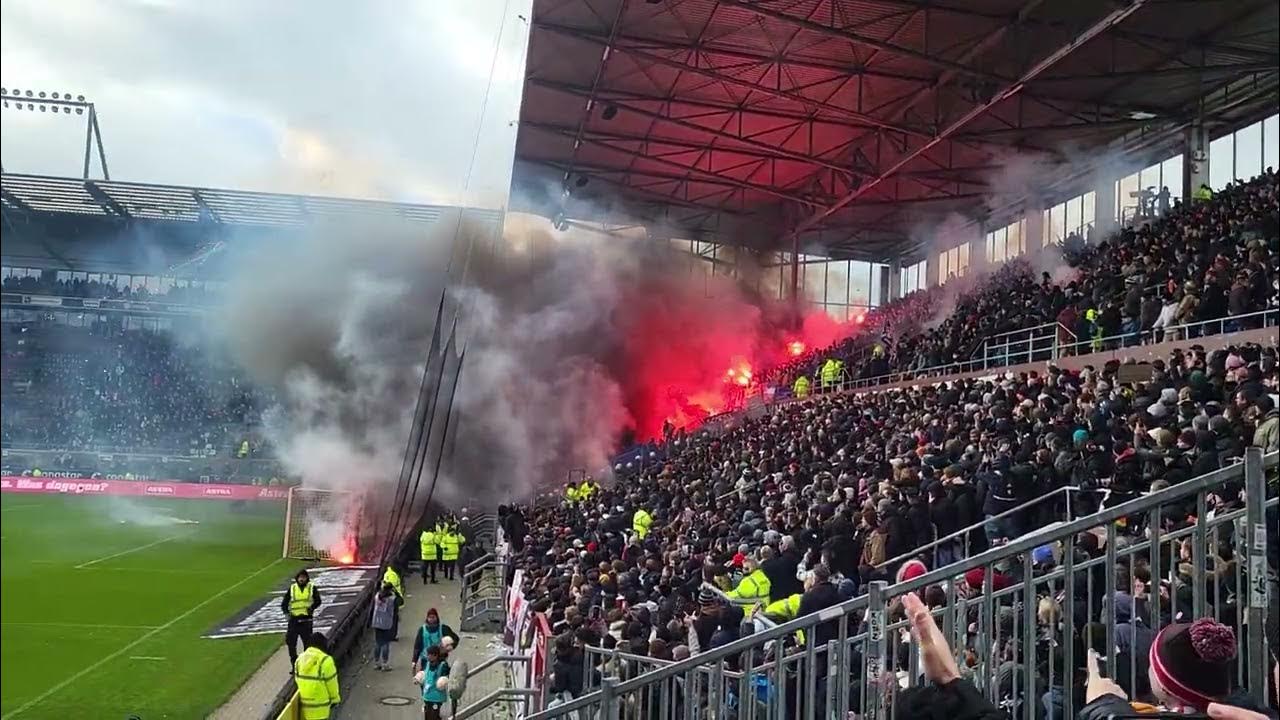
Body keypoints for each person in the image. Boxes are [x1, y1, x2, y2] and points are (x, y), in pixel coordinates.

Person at [294, 631, 340, 720]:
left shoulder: (299, 660)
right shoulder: (326, 661)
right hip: (321, 707)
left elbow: (297, 680)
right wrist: (335, 699)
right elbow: (332, 683)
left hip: (306, 707)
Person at [281, 569, 322, 667]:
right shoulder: (292, 588)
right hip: (294, 620)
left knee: (308, 644)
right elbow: (284, 603)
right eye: (300, 577)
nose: (302, 579)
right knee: (291, 643)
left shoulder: (311, 587)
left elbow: (318, 601)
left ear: (307, 578)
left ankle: (307, 664)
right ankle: (294, 665)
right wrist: (287, 614)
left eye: (304, 577)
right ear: (297, 578)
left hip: (306, 620)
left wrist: (311, 608)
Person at [412, 608, 461, 674]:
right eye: (430, 617)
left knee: (441, 679)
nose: (431, 619)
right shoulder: (422, 630)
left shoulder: (443, 628)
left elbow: (455, 638)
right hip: (426, 660)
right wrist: (414, 661)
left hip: (440, 659)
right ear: (427, 618)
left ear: (437, 618)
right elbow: (417, 646)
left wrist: (451, 646)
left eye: (433, 617)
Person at [418, 644, 451, 720]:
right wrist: (418, 678)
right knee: (427, 715)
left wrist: (444, 681)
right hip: (427, 696)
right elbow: (424, 675)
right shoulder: (427, 664)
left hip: (437, 697)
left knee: (433, 716)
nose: (428, 656)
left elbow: (447, 677)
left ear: (435, 656)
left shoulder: (443, 666)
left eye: (429, 655)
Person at [370, 582, 397, 670]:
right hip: (386, 623)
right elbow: (400, 602)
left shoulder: (377, 596)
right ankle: (385, 664)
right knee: (386, 643)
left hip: (377, 622)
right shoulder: (391, 599)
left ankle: (376, 663)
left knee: (378, 643)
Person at [383, 562, 404, 638]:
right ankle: (392, 635)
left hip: (390, 600)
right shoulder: (392, 575)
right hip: (393, 600)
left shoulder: (388, 573)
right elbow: (393, 588)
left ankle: (390, 634)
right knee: (394, 619)